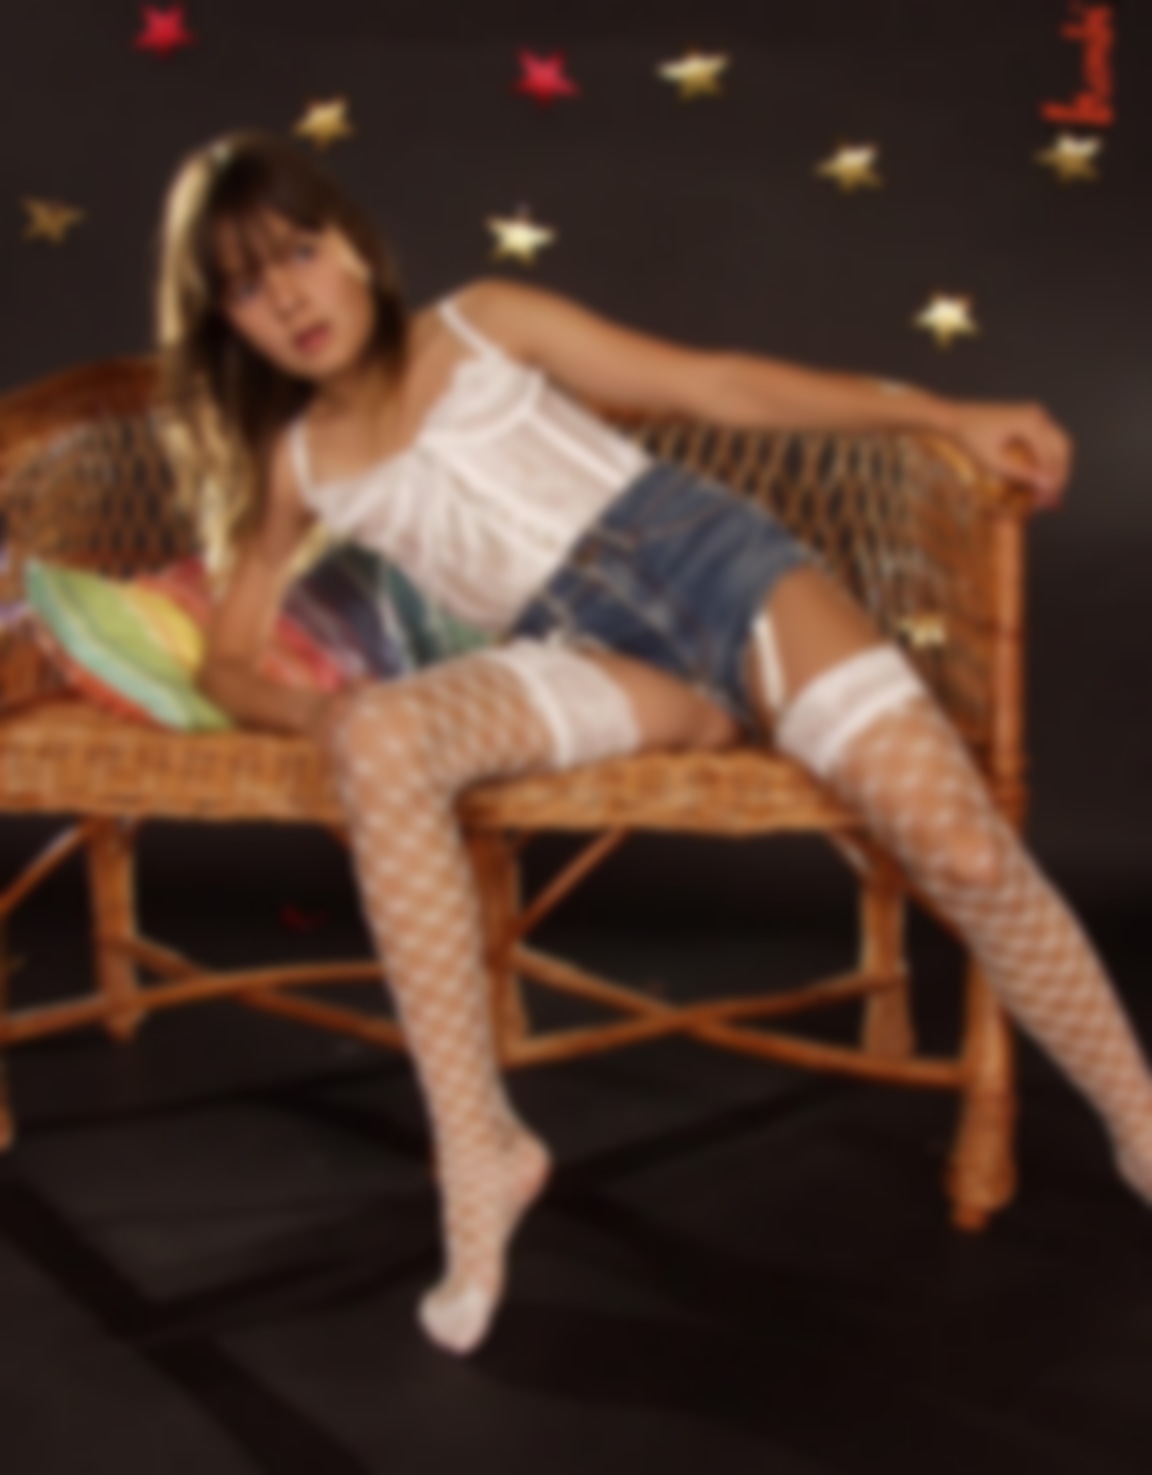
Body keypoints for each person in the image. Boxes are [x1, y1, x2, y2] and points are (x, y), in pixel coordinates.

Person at [155, 130, 1152, 1356]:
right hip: (587, 652)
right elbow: (224, 660)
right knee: (378, 738)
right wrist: (321, 711)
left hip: (718, 569)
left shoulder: (482, 321)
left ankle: (1140, 1123)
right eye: (247, 286)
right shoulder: (296, 462)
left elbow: (714, 384)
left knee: (964, 848)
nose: (289, 298)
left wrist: (945, 411)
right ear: (227, 322)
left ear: (352, 246)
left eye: (300, 253)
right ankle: (478, 1150)